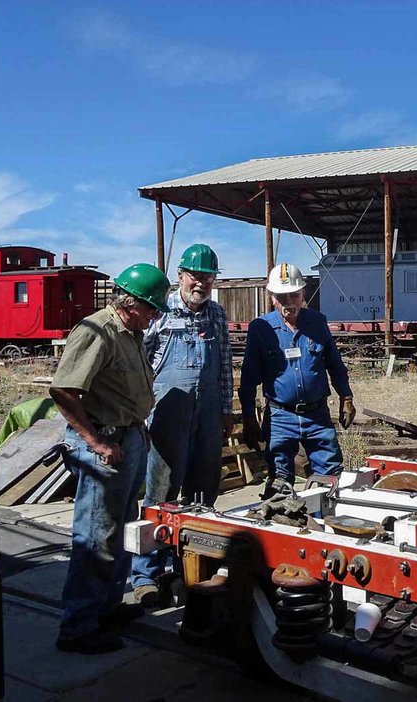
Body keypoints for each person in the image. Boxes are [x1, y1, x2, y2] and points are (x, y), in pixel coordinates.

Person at [49, 263, 170, 653]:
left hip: (129, 438)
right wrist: (95, 441)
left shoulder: (130, 332)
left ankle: (107, 608)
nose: (154, 318)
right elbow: (64, 390)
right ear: (131, 303)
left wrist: (139, 430)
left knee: (121, 529)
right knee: (95, 536)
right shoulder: (96, 331)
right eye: (152, 309)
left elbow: (127, 390)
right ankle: (79, 626)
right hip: (106, 446)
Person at [131, 244, 234, 607]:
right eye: (195, 275)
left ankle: (187, 567)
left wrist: (226, 410)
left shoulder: (217, 315)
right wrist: (141, 413)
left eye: (207, 277)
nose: (201, 283)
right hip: (166, 416)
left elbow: (224, 366)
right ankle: (145, 573)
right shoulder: (158, 312)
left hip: (206, 415)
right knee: (159, 496)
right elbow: (137, 364)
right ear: (180, 276)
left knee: (202, 493)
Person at [239, 263, 356, 495]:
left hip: (317, 416)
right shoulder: (261, 329)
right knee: (279, 481)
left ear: (303, 294)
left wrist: (347, 397)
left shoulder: (317, 323)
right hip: (281, 417)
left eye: (294, 294)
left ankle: (325, 525)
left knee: (330, 478)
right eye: (282, 296)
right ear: (272, 297)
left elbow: (335, 364)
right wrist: (248, 416)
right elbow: (249, 378)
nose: (288, 302)